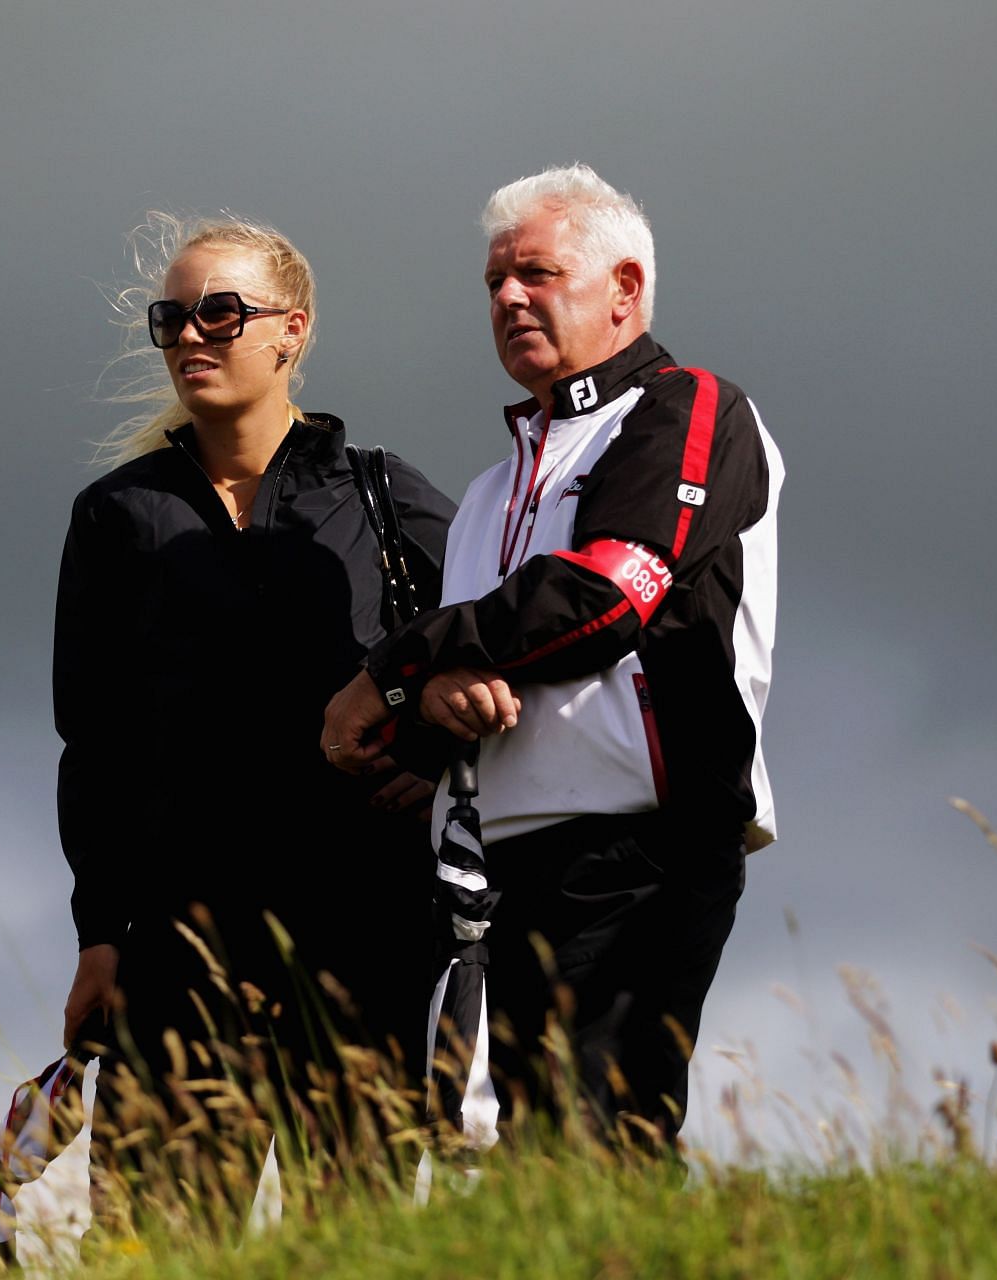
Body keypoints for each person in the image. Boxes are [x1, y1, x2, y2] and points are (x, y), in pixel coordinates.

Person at [321, 164, 784, 1150]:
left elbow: (609, 595)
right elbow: (487, 665)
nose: (508, 298)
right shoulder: (489, 489)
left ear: (624, 288)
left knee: (599, 1141)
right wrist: (430, 703)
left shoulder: (690, 407)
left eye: (536, 272)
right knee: (530, 1162)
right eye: (494, 280)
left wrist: (395, 666)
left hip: (642, 839)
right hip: (501, 862)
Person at [53, 214, 455, 1194]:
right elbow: (92, 740)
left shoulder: (379, 496)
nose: (192, 335)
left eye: (222, 313)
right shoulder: (117, 515)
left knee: (357, 1241)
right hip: (182, 945)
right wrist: (100, 933)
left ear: (293, 329)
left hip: (370, 925)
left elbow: (500, 640)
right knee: (159, 1247)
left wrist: (435, 759)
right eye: (173, 317)